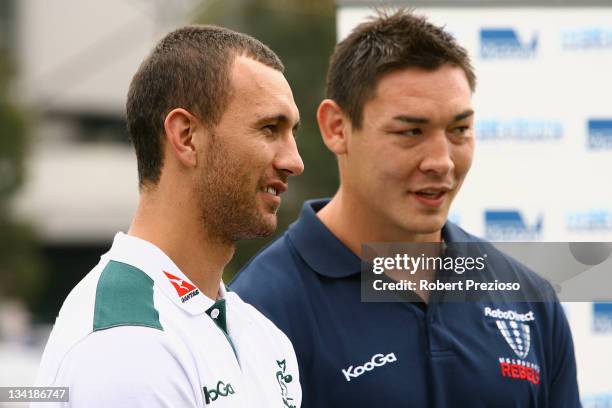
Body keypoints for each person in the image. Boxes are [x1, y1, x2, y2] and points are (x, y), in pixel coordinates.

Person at [231, 10, 581, 408]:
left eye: (459, 130)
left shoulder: (527, 297)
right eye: (411, 132)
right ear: (336, 128)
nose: (442, 161)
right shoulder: (261, 309)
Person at [34, 25, 304, 407]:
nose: (294, 161)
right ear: (186, 136)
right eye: (269, 129)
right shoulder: (127, 342)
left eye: (292, 132)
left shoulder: (261, 334)